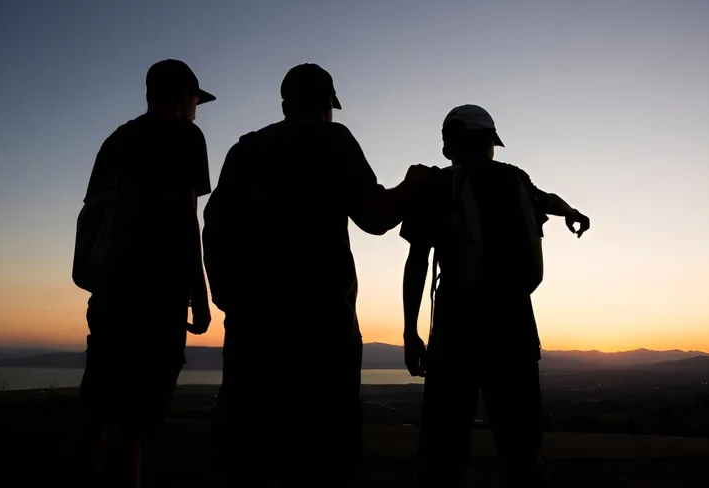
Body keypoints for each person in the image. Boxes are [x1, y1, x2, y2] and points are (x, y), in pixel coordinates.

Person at [202, 63, 433, 487]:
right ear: (328, 104)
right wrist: (412, 185)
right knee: (325, 451)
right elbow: (374, 215)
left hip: (251, 328)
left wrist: (227, 300)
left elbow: (213, 226)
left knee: (248, 448)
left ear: (286, 103)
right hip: (322, 327)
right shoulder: (332, 140)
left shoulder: (244, 150)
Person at [400, 104, 590, 487]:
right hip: (514, 325)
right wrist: (572, 212)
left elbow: (417, 261)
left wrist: (410, 332)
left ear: (449, 144)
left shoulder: (435, 187)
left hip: (456, 328)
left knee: (444, 446)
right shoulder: (514, 179)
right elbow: (546, 199)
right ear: (488, 140)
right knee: (519, 444)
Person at [71, 59, 216, 487]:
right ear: (187, 95)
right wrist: (200, 293)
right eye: (195, 100)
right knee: (135, 414)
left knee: (99, 403)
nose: (196, 110)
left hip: (108, 292)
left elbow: (93, 212)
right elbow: (186, 218)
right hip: (157, 294)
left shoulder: (116, 140)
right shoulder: (186, 136)